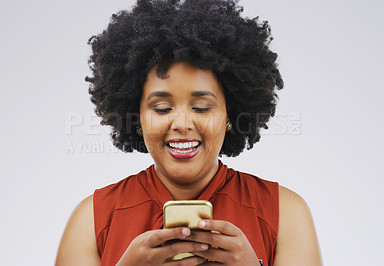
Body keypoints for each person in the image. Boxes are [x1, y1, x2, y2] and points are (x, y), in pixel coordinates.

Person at [56, 0, 322, 265]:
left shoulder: (285, 213)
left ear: (230, 116)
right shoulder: (92, 219)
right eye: (161, 108)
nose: (182, 123)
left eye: (201, 107)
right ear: (136, 118)